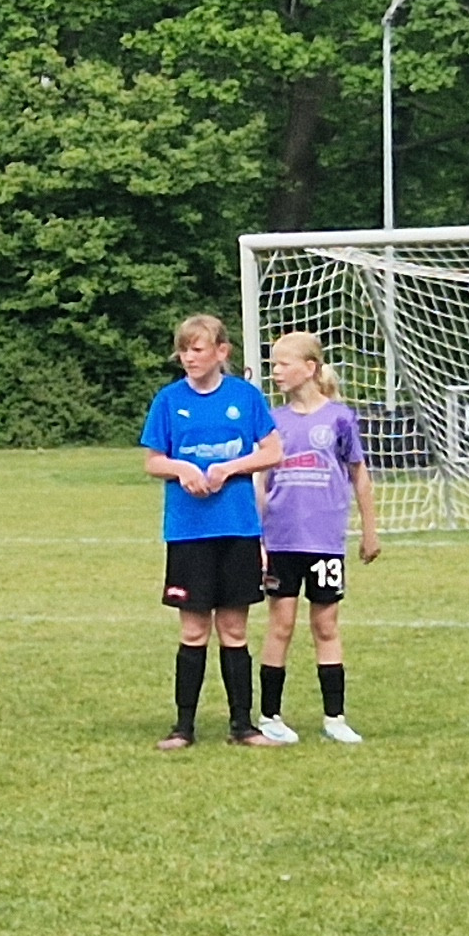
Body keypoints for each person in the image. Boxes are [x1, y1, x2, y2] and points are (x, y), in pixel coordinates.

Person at [141, 313, 281, 749]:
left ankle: (243, 725)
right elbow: (153, 461)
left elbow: (272, 451)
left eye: (197, 349)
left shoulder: (245, 397)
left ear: (222, 352)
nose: (189, 357)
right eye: (183, 350)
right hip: (188, 531)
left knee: (234, 631)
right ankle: (183, 727)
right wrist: (182, 469)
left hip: (237, 528)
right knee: (193, 630)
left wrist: (228, 468)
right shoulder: (169, 400)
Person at [251, 330, 378, 745]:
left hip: (324, 541)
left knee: (326, 625)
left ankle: (335, 717)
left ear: (310, 368)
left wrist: (369, 530)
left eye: (282, 364)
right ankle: (269, 715)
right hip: (282, 539)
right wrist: (258, 537)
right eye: (272, 364)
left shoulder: (339, 418)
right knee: (281, 625)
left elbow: (359, 474)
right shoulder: (273, 420)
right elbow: (261, 481)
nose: (276, 372)